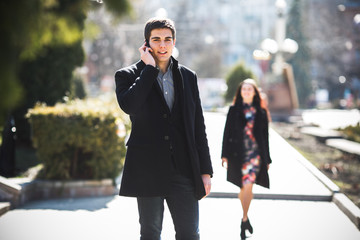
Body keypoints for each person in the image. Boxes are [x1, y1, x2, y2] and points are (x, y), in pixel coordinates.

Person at [114, 17, 213, 240]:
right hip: (147, 168)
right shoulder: (127, 75)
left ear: (174, 42)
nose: (162, 45)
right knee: (150, 234)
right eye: (156, 39)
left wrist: (205, 171)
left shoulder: (188, 77)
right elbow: (129, 105)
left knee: (190, 233)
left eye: (168, 39)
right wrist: (149, 69)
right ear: (147, 43)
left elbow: (198, 125)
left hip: (184, 169)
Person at [221, 79, 271, 240]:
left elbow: (265, 137)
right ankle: (246, 219)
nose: (247, 91)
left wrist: (267, 159)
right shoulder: (233, 110)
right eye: (244, 89)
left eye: (250, 89)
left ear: (254, 92)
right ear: (240, 92)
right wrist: (224, 155)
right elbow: (226, 133)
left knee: (248, 186)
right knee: (242, 188)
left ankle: (244, 218)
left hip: (254, 156)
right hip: (237, 155)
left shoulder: (261, 112)